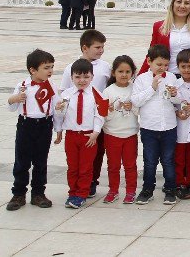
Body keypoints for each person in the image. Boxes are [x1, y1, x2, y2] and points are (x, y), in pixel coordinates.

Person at [60, 29, 110, 198]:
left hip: (99, 117)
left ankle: (91, 182)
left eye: (103, 47)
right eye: (97, 47)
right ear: (85, 48)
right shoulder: (70, 68)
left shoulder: (105, 66)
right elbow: (64, 92)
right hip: (77, 123)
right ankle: (76, 188)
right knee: (75, 161)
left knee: (96, 153)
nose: (101, 50)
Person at [131, 44, 183, 205]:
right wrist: (152, 88)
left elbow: (177, 102)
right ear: (149, 61)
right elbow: (136, 100)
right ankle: (147, 190)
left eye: (166, 64)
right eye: (159, 64)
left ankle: (170, 189)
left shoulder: (172, 78)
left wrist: (175, 95)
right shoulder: (141, 79)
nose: (162, 68)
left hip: (168, 126)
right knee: (150, 160)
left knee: (168, 160)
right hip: (149, 127)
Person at [6, 49, 57, 211]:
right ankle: (18, 193)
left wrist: (59, 127)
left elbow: (57, 107)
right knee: (22, 160)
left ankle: (38, 193)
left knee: (41, 161)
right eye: (46, 68)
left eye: (51, 67)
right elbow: (11, 107)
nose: (50, 71)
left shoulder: (52, 86)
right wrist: (14, 99)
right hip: (26, 125)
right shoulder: (22, 86)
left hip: (45, 125)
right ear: (32, 70)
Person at [54, 58, 107, 209]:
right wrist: (58, 130)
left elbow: (100, 115)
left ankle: (82, 194)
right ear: (71, 78)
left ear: (92, 77)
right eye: (77, 77)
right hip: (71, 135)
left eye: (86, 77)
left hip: (88, 136)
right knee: (72, 166)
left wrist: (96, 132)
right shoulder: (66, 95)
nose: (82, 80)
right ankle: (72, 192)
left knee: (86, 167)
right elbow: (60, 115)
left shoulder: (97, 95)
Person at [101, 55, 139, 204]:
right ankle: (113, 190)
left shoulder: (135, 89)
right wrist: (109, 110)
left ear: (132, 73)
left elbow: (139, 111)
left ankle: (131, 191)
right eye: (120, 71)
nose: (124, 75)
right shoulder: (108, 91)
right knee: (113, 165)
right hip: (112, 134)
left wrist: (133, 106)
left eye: (127, 72)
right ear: (113, 73)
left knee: (130, 165)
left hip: (130, 133)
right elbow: (103, 116)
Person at [173, 51, 190, 200]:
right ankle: (180, 184)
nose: (187, 70)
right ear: (177, 67)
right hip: (180, 129)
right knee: (179, 159)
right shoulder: (175, 85)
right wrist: (176, 113)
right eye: (183, 66)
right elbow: (168, 103)